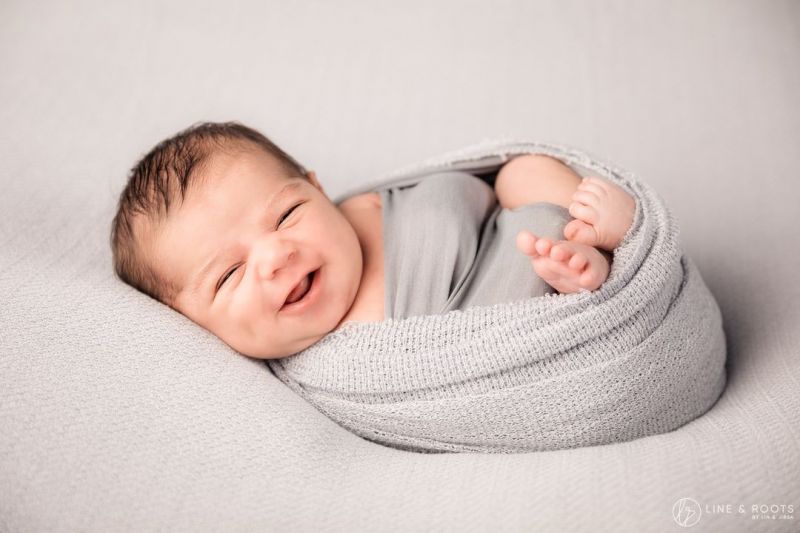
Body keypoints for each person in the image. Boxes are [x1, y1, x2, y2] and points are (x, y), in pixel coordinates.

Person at [110, 121, 635, 359]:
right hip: (512, 305)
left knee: (526, 169)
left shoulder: (360, 205)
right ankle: (585, 276)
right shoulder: (336, 363)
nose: (275, 255)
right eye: (229, 275)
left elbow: (483, 179)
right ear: (191, 325)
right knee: (543, 258)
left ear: (316, 188)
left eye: (288, 213)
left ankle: (609, 230)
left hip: (503, 216)